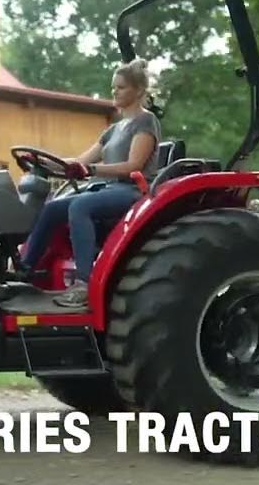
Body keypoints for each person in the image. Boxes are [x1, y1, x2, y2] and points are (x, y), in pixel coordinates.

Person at [18, 57, 162, 308]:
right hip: (108, 188)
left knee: (80, 206)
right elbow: (80, 160)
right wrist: (42, 162)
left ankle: (84, 283)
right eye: (113, 87)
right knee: (53, 208)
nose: (114, 91)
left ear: (138, 91)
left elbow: (133, 166)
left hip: (133, 190)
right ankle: (24, 271)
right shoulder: (113, 129)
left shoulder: (145, 122)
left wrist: (91, 169)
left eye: (121, 87)